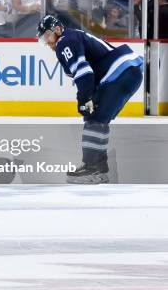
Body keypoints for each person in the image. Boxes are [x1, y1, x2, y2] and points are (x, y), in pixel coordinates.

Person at [37, 15, 143, 184]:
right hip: (128, 72)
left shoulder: (64, 41)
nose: (47, 42)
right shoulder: (71, 37)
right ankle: (98, 168)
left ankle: (92, 167)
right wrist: (87, 97)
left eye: (47, 36)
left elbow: (83, 72)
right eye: (43, 40)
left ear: (57, 29)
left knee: (94, 117)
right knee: (98, 117)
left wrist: (84, 99)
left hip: (120, 72)